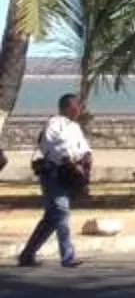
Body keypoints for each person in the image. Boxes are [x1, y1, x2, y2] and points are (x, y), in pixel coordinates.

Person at [18, 93, 93, 268]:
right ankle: (67, 256)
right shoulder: (54, 124)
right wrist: (69, 161)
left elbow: (83, 147)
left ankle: (27, 255)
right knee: (62, 211)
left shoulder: (75, 127)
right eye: (76, 106)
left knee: (51, 219)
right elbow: (50, 146)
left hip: (70, 176)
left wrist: (87, 158)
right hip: (54, 174)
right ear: (67, 107)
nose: (79, 110)